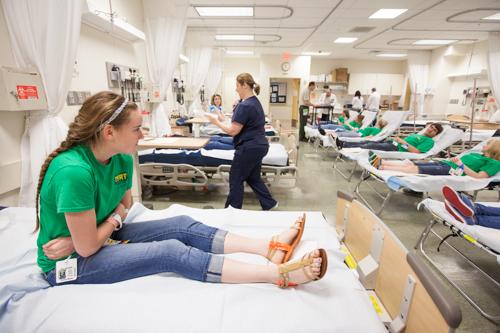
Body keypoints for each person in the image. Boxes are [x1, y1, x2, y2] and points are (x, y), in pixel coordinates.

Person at [36, 91, 327, 287]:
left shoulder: (120, 158)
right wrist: (91, 235)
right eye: (137, 128)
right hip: (68, 263)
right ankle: (277, 274)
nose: (144, 134)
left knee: (182, 225)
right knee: (171, 252)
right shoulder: (73, 171)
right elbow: (90, 245)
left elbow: (124, 204)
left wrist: (99, 227)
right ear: (109, 132)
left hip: (97, 235)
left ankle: (269, 247)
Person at [207, 73, 279, 210]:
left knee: (236, 178)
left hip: (249, 148)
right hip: (260, 146)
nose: (236, 89)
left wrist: (215, 122)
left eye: (237, 86)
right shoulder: (255, 102)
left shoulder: (245, 106)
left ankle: (232, 211)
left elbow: (233, 131)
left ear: (244, 85)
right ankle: (270, 204)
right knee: (253, 177)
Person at [372, 139, 500, 178]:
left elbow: (479, 177)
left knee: (416, 169)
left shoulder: (494, 163)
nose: (484, 144)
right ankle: (381, 163)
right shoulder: (478, 155)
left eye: (488, 143)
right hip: (446, 165)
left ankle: (382, 167)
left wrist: (461, 165)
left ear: (495, 147)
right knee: (412, 166)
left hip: (454, 171)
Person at [339, 122, 443, 153]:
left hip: (397, 148)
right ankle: (343, 144)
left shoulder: (429, 141)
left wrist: (402, 142)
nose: (431, 130)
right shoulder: (418, 135)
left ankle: (344, 145)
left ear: (436, 134)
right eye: (431, 127)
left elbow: (416, 152)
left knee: (369, 145)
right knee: (368, 142)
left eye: (434, 130)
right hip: (393, 144)